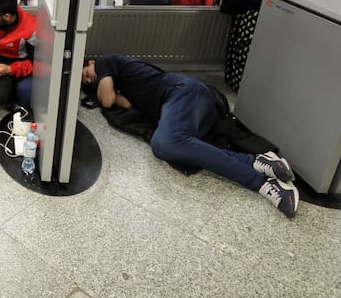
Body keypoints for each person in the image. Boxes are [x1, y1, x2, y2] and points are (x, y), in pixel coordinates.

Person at [81, 54, 299, 218]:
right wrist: (108, 94)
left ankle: (261, 183)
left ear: (91, 62)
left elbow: (108, 100)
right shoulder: (118, 81)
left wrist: (105, 91)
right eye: (86, 84)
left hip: (180, 91)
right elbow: (122, 103)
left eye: (85, 75)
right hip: (189, 104)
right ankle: (258, 162)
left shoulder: (105, 61)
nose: (88, 80)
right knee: (175, 145)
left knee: (163, 143)